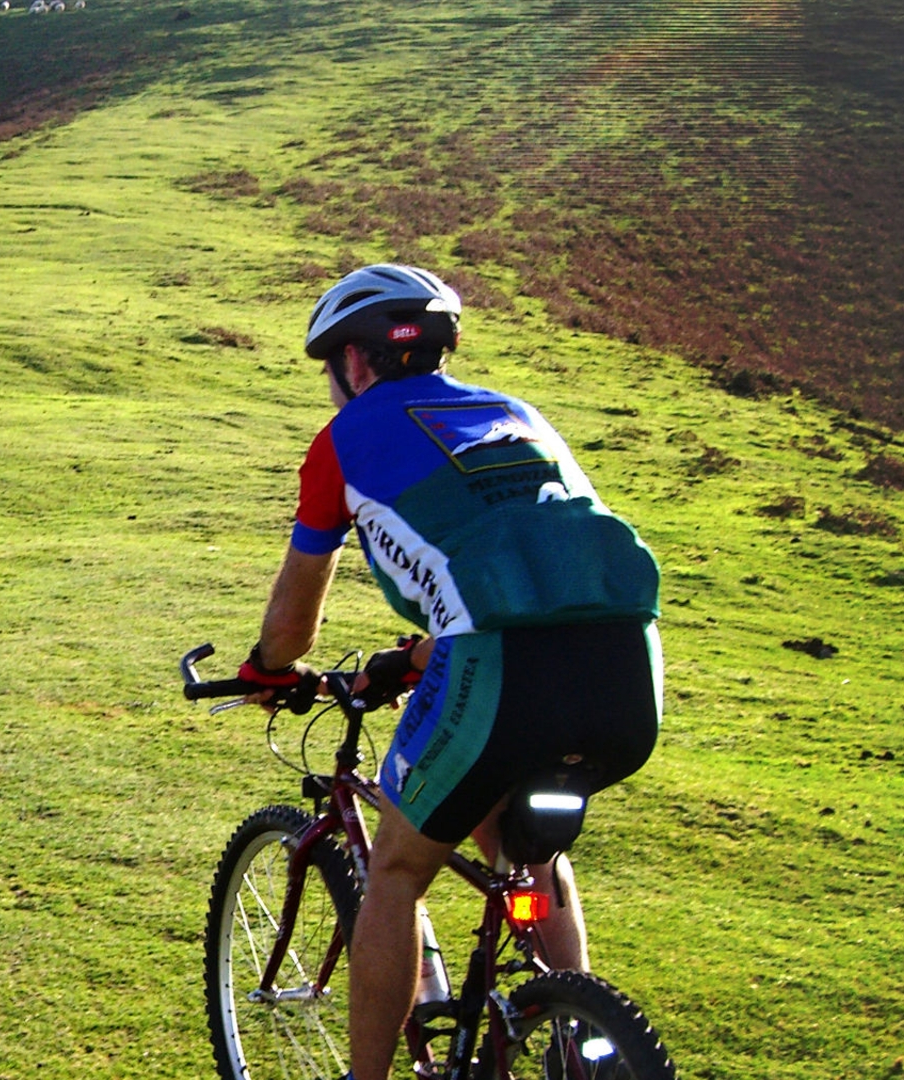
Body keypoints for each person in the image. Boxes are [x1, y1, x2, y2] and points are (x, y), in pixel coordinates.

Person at [234, 264, 662, 1080]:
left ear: (354, 363)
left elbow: (292, 628)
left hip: (503, 668)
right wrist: (411, 657)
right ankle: (575, 1038)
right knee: (524, 842)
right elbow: (530, 574)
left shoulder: (343, 443)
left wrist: (265, 670)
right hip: (628, 667)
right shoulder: (517, 417)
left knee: (396, 870)